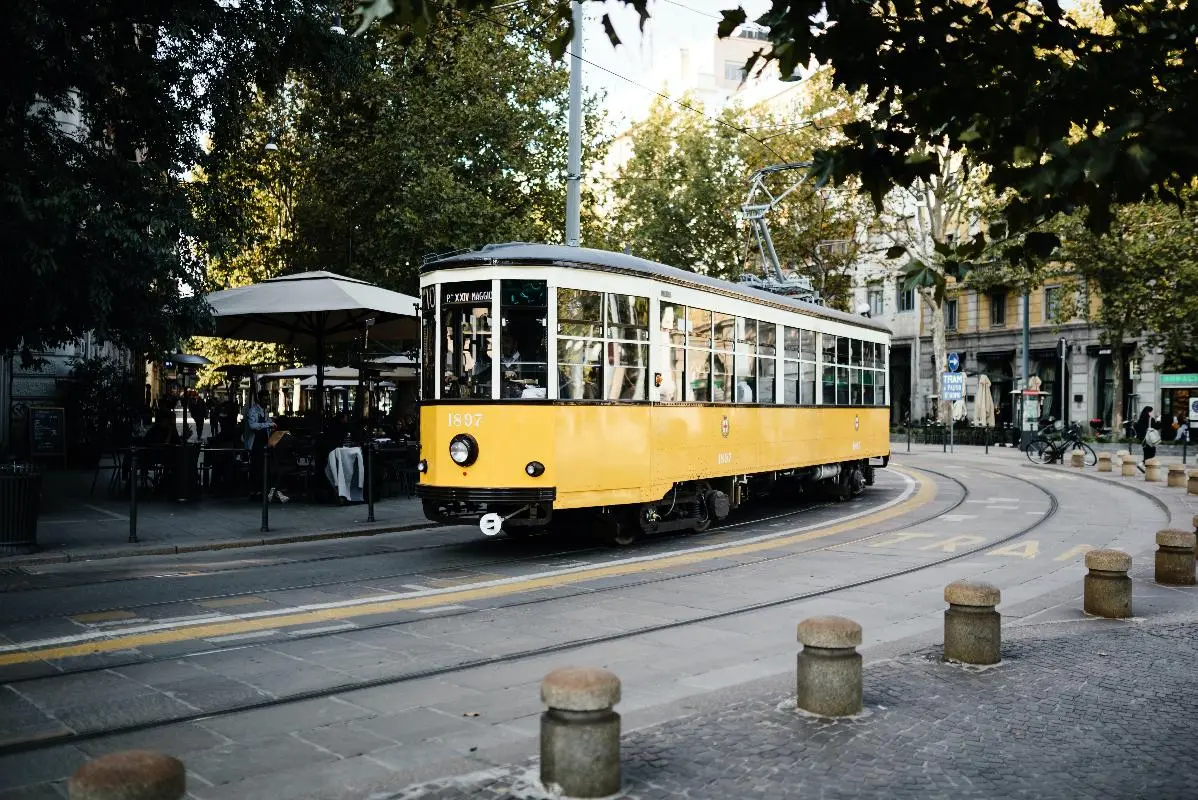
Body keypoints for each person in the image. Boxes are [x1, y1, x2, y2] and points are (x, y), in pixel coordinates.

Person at [243, 390, 277, 500]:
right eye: (265, 399)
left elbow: (268, 422)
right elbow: (253, 425)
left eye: (268, 399)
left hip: (264, 443)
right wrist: (268, 424)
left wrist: (271, 423)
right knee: (255, 468)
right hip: (255, 444)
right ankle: (253, 491)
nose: (267, 401)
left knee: (263, 468)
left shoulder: (265, 411)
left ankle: (261, 490)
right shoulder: (253, 410)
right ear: (259, 399)